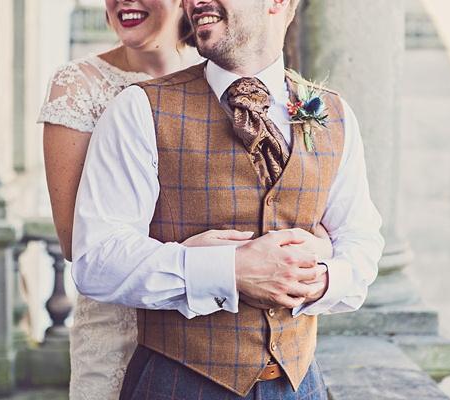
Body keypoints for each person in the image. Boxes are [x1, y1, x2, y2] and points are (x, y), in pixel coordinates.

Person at [72, 0, 384, 398]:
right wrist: (230, 269)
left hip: (300, 384)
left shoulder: (335, 113)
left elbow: (361, 242)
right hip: (177, 385)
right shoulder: (138, 109)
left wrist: (321, 278)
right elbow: (96, 260)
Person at [38, 1, 202, 398]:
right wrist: (196, 255)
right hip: (116, 338)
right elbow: (75, 242)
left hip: (203, 332)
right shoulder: (78, 85)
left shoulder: (217, 78)